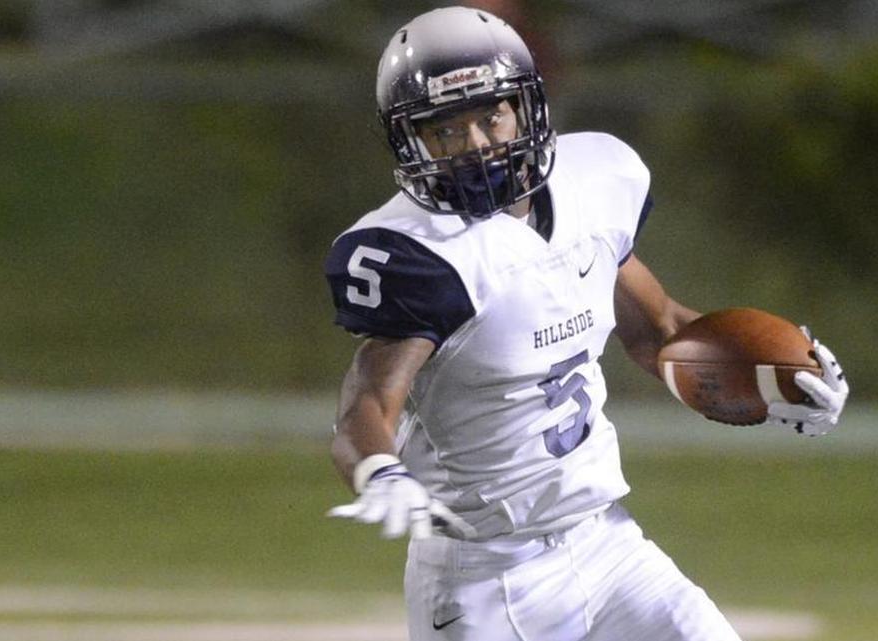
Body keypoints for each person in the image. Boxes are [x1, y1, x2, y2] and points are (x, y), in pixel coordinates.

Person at [323, 6, 848, 641]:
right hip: (485, 578)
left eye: (490, 116)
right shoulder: (417, 253)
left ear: (525, 107)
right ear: (413, 141)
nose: (479, 144)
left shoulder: (592, 185)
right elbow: (368, 401)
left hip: (609, 544)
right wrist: (378, 469)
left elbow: (658, 332)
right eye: (447, 130)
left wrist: (777, 382)